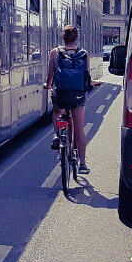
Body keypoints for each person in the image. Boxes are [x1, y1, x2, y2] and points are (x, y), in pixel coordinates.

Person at [45, 24, 101, 174]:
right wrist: (92, 83)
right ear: (77, 38)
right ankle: (82, 164)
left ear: (63, 37)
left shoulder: (54, 53)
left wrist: (47, 85)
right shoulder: (84, 53)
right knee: (79, 127)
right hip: (78, 95)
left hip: (61, 94)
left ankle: (57, 135)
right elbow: (86, 76)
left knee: (57, 113)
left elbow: (50, 77)